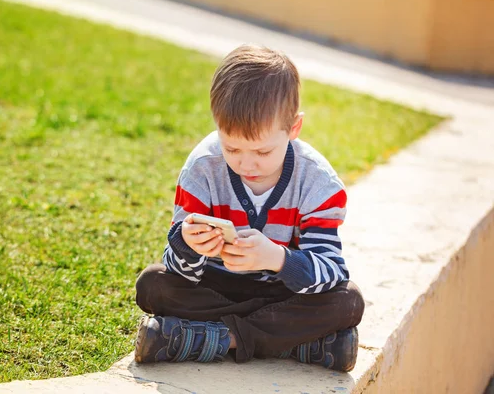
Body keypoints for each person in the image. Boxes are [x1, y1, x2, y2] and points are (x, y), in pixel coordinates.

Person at [133, 44, 365, 372]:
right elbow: (177, 269)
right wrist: (188, 244)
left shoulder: (318, 183)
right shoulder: (203, 168)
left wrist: (278, 259)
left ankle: (213, 339)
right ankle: (302, 345)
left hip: (280, 293)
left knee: (347, 301)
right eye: (232, 147)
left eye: (262, 151)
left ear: (294, 129)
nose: (246, 163)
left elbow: (332, 270)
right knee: (153, 284)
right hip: (217, 285)